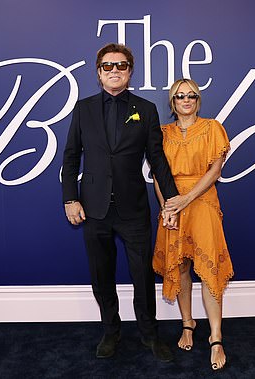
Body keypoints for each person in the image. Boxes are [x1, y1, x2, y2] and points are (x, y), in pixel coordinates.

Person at [61, 43, 179, 362]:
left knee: (142, 275)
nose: (115, 71)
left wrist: (172, 200)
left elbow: (157, 159)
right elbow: (71, 157)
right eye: (108, 66)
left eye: (121, 66)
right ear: (99, 73)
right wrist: (70, 198)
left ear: (130, 71)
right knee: (102, 275)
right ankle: (111, 332)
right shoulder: (83, 109)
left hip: (133, 210)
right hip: (94, 208)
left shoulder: (147, 109)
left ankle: (149, 335)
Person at [152, 78, 234, 371]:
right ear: (172, 103)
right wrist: (167, 207)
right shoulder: (162, 134)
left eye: (191, 95)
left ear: (197, 100)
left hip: (202, 203)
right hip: (172, 205)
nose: (186, 100)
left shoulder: (213, 128)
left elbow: (214, 172)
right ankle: (188, 323)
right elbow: (159, 176)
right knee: (181, 265)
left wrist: (185, 200)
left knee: (209, 265)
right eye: (179, 96)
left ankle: (215, 337)